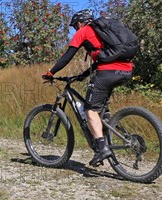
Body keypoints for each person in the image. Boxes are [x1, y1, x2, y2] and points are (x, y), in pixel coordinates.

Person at [42, 9, 133, 167]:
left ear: (78, 24)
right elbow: (105, 58)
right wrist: (83, 75)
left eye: (74, 27)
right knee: (99, 107)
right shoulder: (103, 33)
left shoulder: (83, 31)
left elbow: (67, 56)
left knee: (89, 110)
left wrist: (51, 72)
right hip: (126, 70)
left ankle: (101, 147)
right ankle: (104, 126)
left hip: (108, 72)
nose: (75, 30)